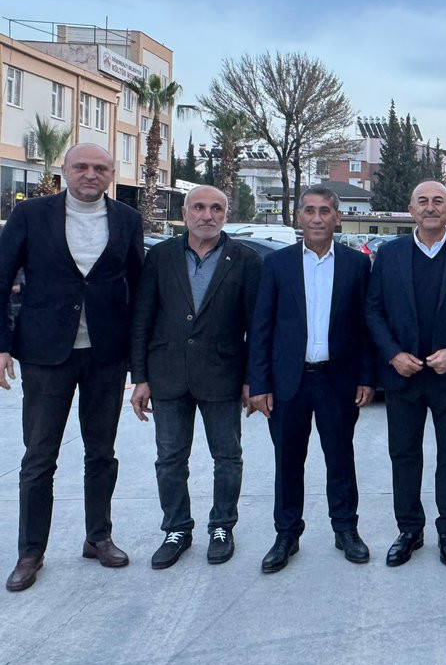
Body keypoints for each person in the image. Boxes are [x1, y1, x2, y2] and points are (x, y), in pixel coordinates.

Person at [0, 144, 143, 592]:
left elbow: (139, 289)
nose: (90, 174)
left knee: (101, 453)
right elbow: (1, 278)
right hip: (46, 354)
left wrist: (139, 362)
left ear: (112, 174)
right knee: (39, 457)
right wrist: (1, 345)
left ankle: (98, 537)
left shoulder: (127, 219)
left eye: (100, 167)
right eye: (81, 166)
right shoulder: (31, 215)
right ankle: (31, 551)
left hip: (105, 355)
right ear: (64, 171)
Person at [129, 186, 261, 569]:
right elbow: (142, 318)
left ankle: (222, 526)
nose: (207, 215)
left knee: (228, 457)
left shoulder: (246, 260)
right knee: (170, 458)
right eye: (199, 207)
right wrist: (141, 377)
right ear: (185, 213)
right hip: (167, 374)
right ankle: (176, 529)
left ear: (226, 214)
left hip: (223, 375)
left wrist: (252, 380)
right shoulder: (161, 256)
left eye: (216, 208)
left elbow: (257, 327)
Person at [365, 180, 446, 568]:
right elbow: (373, 310)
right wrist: (392, 354)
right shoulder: (389, 254)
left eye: (439, 200)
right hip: (403, 376)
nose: (431, 207)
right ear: (411, 209)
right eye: (422, 201)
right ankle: (409, 530)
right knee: (404, 455)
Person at [247, 186, 375, 573]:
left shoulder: (357, 264)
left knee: (340, 458)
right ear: (299, 216)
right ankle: (286, 534)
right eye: (309, 210)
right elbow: (261, 327)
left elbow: (366, 326)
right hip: (289, 382)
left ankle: (345, 529)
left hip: (338, 380)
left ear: (338, 217)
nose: (317, 218)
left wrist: (366, 376)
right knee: (288, 461)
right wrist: (259, 384)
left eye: (324, 211)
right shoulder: (277, 264)